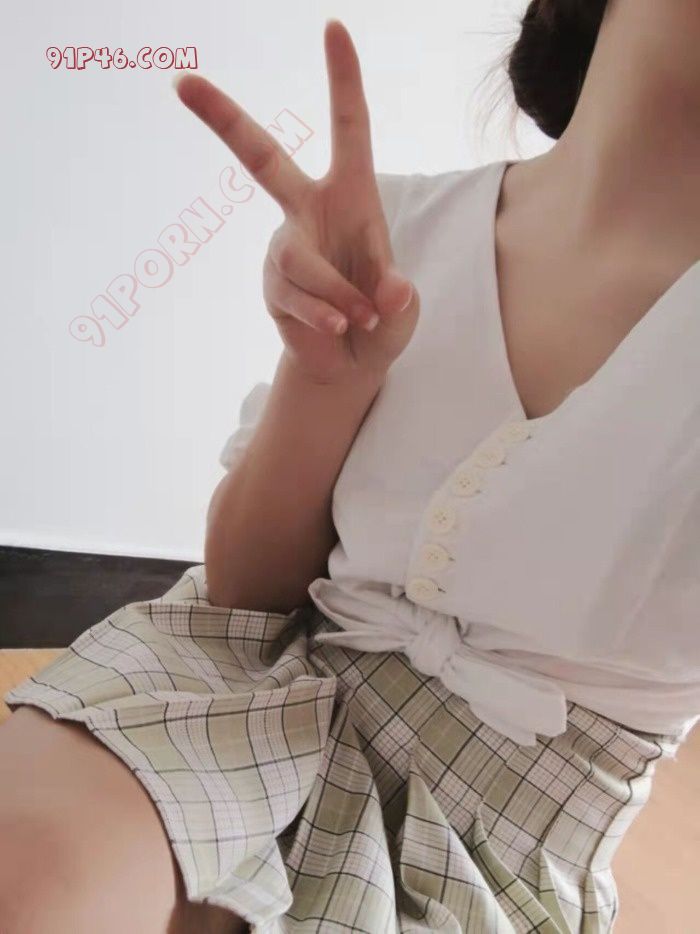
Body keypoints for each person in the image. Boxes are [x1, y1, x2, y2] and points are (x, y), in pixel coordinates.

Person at [1, 5, 698, 932]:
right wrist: (326, 380)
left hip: (499, 852)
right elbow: (246, 589)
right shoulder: (398, 225)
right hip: (246, 694)